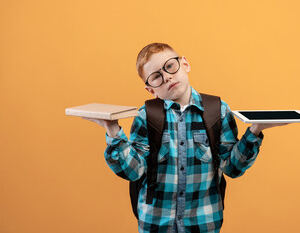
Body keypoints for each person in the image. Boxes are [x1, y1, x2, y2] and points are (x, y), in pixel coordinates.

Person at [83, 43, 288, 233]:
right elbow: (134, 171)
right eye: (156, 76)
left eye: (170, 66)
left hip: (204, 222)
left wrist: (255, 130)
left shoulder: (218, 111)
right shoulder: (146, 116)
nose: (167, 77)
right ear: (151, 89)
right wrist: (113, 131)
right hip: (155, 224)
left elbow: (232, 168)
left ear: (185, 64)